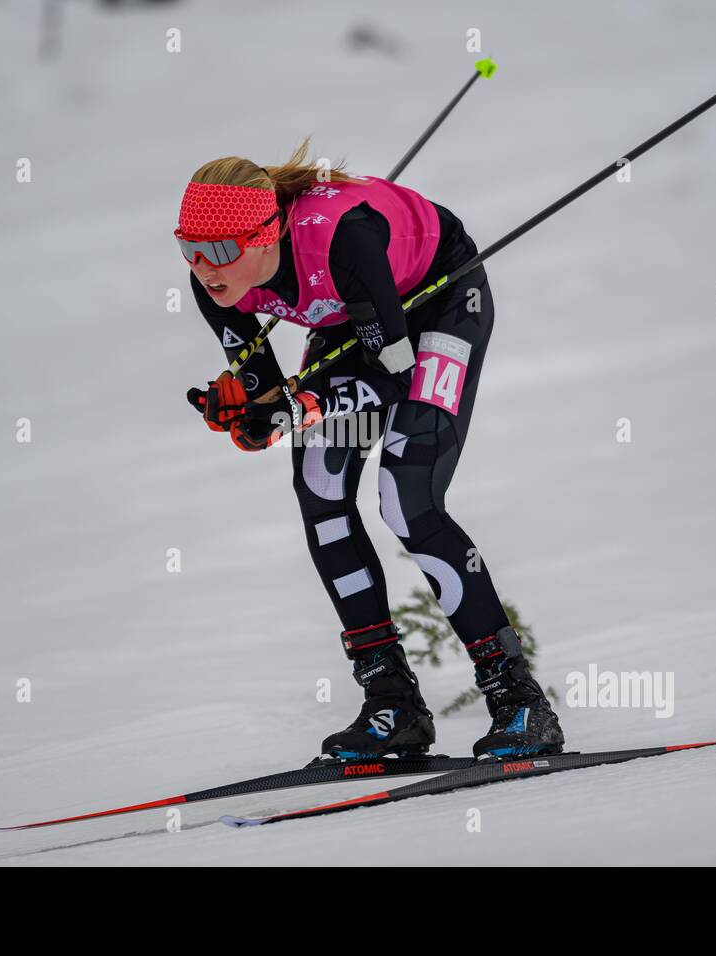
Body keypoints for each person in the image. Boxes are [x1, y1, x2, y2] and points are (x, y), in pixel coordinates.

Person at [178, 137, 564, 760]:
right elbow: (265, 388)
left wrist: (303, 406)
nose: (203, 266)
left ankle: (517, 699)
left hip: (437, 304)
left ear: (267, 234)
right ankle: (392, 703)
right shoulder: (214, 283)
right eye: (188, 250)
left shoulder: (343, 240)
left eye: (220, 250)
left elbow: (391, 376)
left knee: (406, 496)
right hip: (353, 324)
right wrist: (252, 418)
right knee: (323, 488)